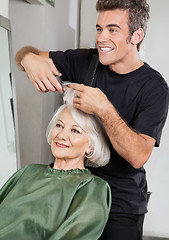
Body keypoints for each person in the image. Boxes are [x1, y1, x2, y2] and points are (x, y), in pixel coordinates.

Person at [15, 0, 169, 239]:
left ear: (136, 35)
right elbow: (25, 52)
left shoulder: (154, 88)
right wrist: (28, 60)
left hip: (119, 204)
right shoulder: (86, 61)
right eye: (99, 29)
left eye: (112, 30)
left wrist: (103, 108)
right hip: (71, 192)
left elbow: (138, 156)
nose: (101, 38)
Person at [0, 88, 111, 240]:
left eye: (75, 131)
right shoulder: (28, 172)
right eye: (59, 125)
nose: (62, 135)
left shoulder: (92, 188)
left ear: (90, 146)